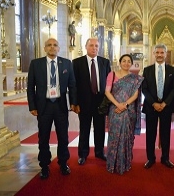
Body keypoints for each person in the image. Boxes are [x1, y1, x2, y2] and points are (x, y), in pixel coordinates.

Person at [27, 38, 77, 179]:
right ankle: (44, 165)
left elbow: (72, 85)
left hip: (60, 105)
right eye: (49, 45)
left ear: (59, 48)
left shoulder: (66, 63)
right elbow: (30, 87)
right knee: (43, 137)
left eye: (55, 45)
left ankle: (63, 163)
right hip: (44, 106)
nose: (52, 47)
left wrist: (73, 103)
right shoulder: (36, 64)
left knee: (63, 136)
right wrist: (32, 106)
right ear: (45, 48)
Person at [72, 38, 111, 165]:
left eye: (96, 46)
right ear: (86, 46)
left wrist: (109, 102)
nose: (94, 48)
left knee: (100, 129)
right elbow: (74, 85)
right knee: (84, 129)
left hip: (101, 102)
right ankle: (82, 154)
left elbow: (109, 83)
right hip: (84, 103)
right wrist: (74, 103)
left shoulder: (105, 62)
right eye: (91, 45)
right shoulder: (77, 63)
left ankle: (99, 152)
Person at [105, 54, 144, 174]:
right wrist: (118, 104)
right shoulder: (112, 75)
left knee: (126, 136)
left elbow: (136, 95)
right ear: (120, 62)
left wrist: (125, 104)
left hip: (128, 110)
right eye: (124, 61)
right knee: (114, 136)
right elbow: (107, 92)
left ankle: (125, 163)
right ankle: (113, 163)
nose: (126, 63)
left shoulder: (135, 78)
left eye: (128, 61)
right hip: (115, 109)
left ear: (131, 64)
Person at [142, 44, 174, 169]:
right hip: (151, 106)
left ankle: (165, 158)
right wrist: (154, 103)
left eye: (162, 53)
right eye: (157, 52)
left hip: (166, 107)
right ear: (154, 53)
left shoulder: (172, 70)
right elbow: (144, 89)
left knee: (165, 133)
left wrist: (164, 103)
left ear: (165, 54)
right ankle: (150, 159)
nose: (159, 55)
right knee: (150, 134)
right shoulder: (147, 70)